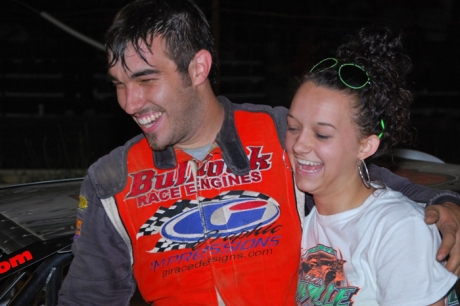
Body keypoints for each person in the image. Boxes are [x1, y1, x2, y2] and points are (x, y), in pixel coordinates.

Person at [57, 1, 460, 305]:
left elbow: (374, 187)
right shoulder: (111, 179)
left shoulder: (283, 132)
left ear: (198, 68)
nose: (129, 102)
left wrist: (446, 206)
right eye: (118, 83)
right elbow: (88, 297)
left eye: (146, 79)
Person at [287, 25, 459, 305]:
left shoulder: (396, 228)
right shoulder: (302, 218)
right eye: (293, 127)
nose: (299, 145)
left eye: (322, 134)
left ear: (365, 145)